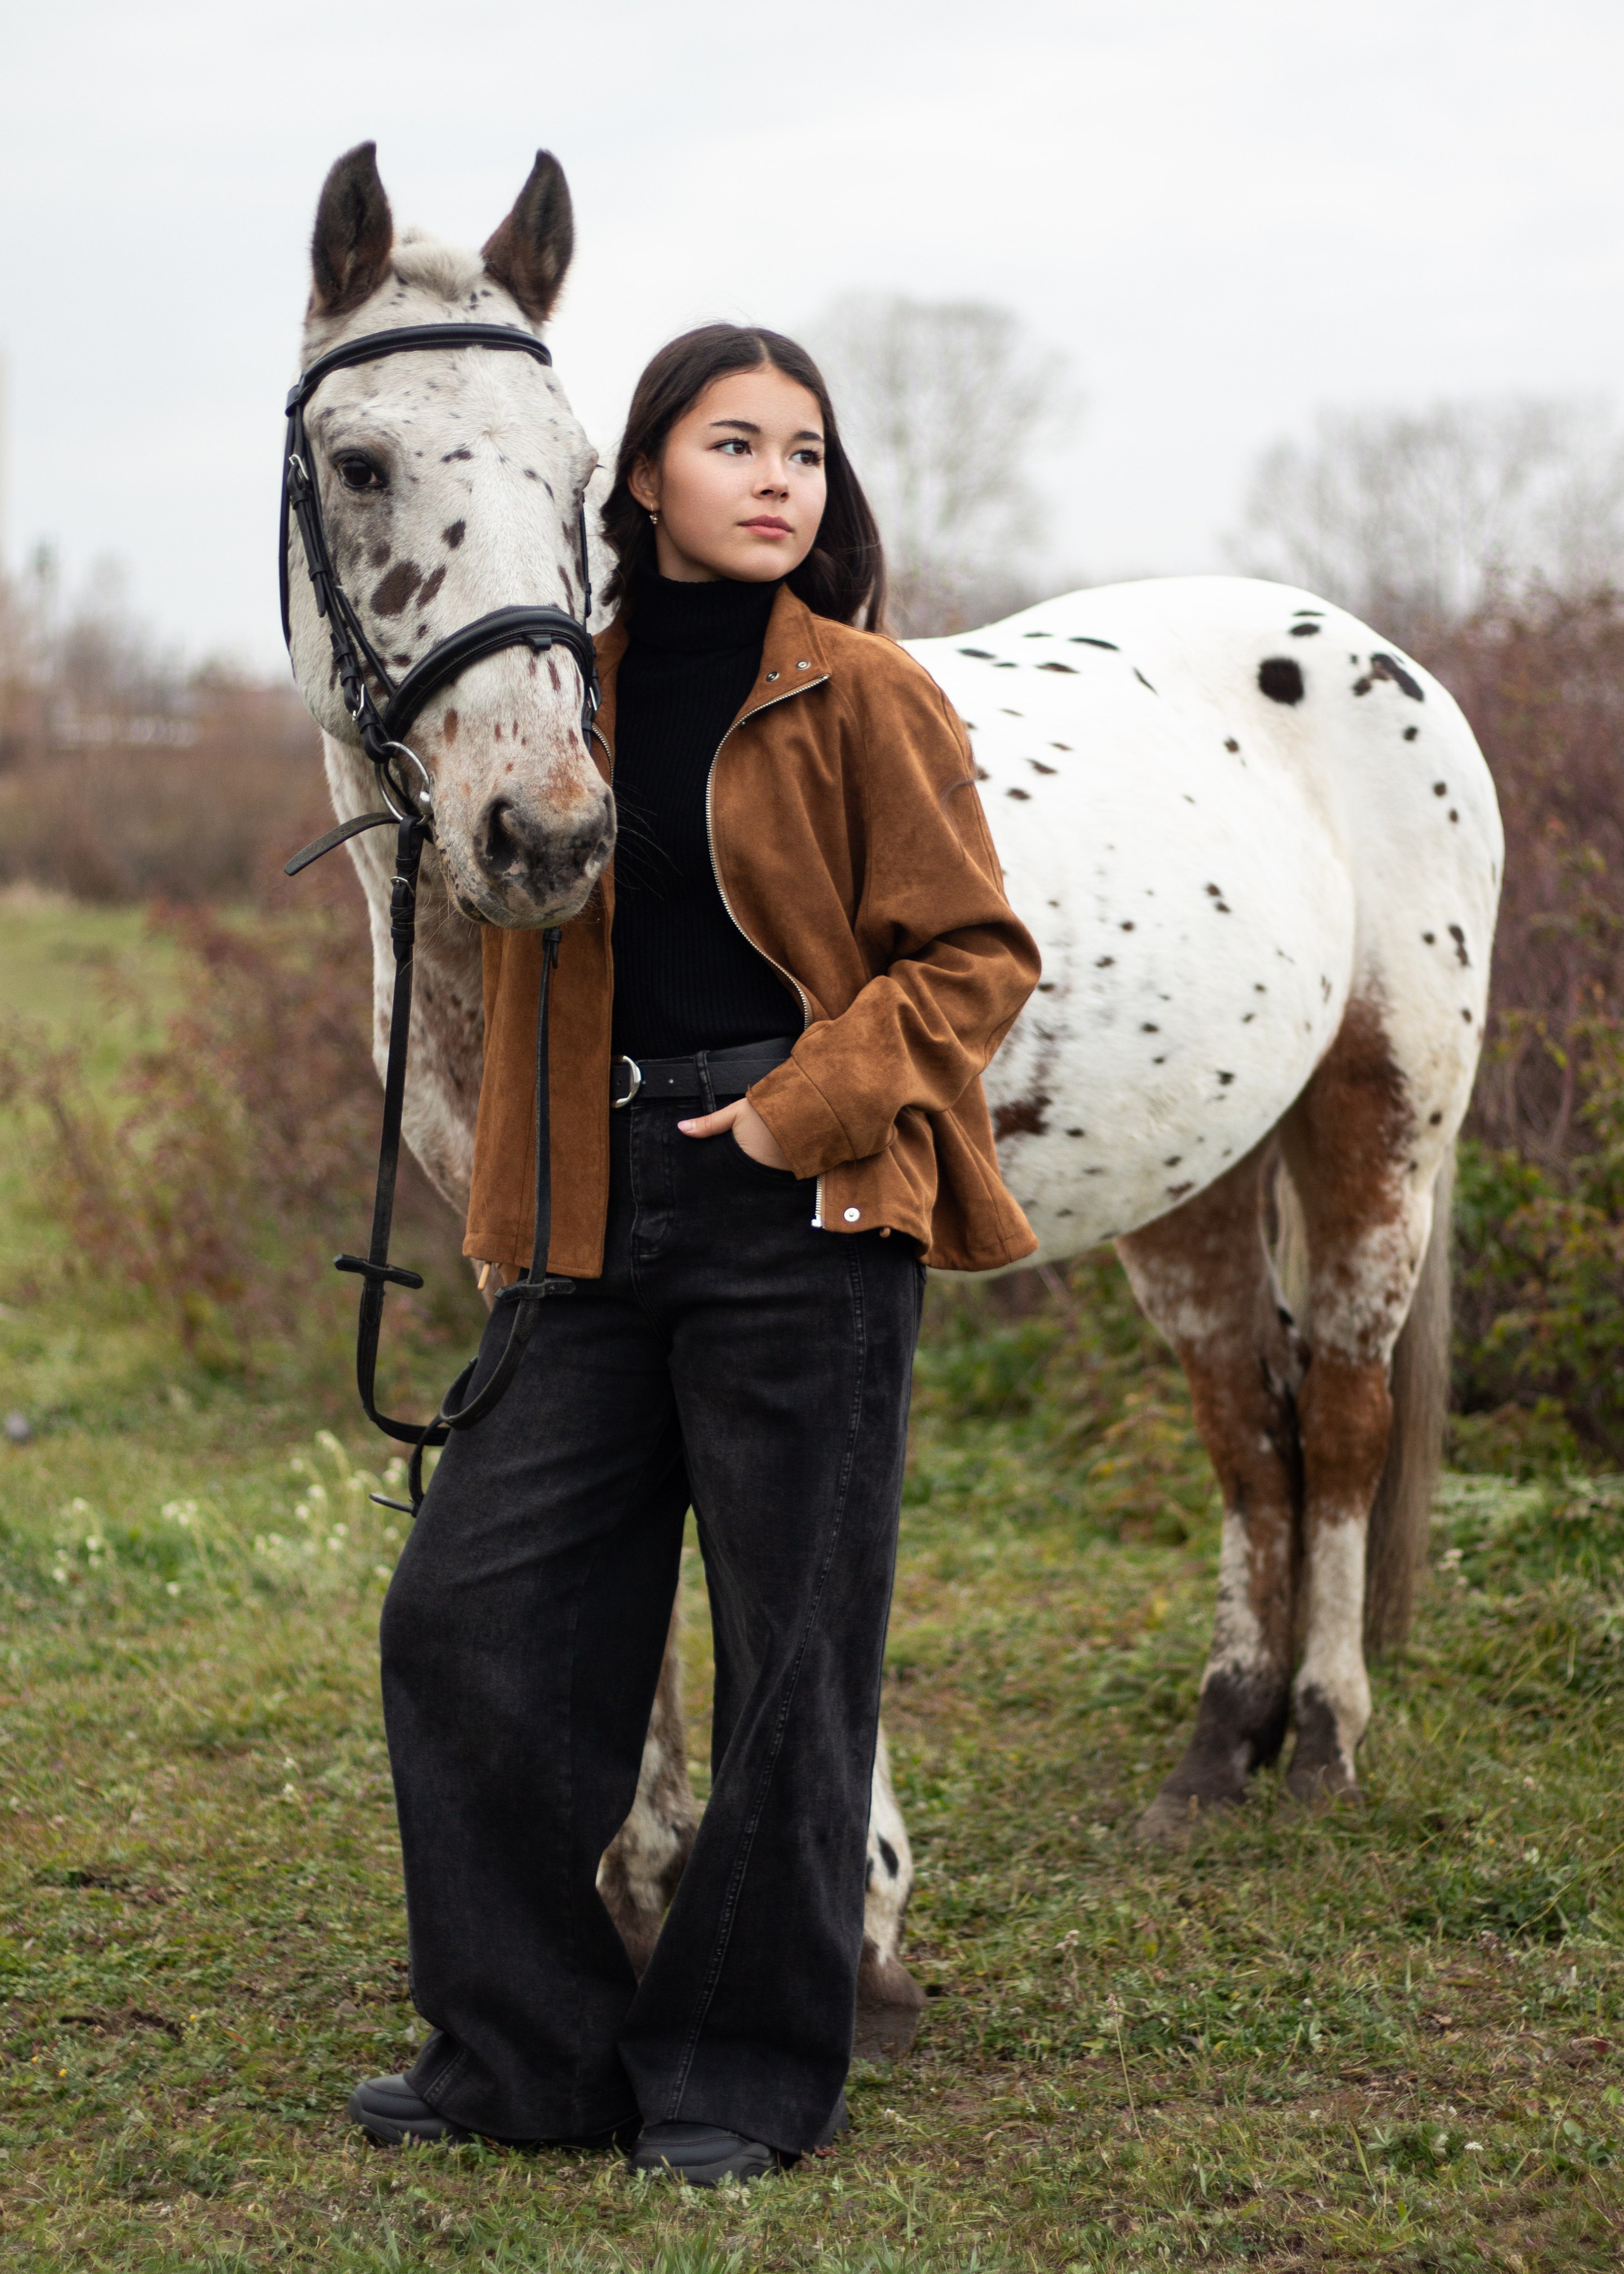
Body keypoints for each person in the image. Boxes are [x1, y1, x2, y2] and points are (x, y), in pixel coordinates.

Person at [347, 324, 1040, 2183]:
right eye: (734, 444)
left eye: (804, 452)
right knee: (468, 1621)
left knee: (794, 1661)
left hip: (797, 1209)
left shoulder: (866, 692)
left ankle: (741, 2070)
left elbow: (974, 958)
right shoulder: (568, 690)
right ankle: (525, 2053)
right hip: (588, 1214)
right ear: (638, 475)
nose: (776, 481)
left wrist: (810, 1109)